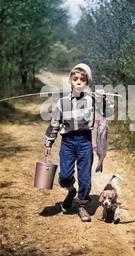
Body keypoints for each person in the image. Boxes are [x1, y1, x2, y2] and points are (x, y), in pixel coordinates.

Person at [44, 63, 114, 222]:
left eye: (83, 79)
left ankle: (82, 205)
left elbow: (109, 113)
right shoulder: (62, 102)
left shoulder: (92, 100)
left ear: (87, 83)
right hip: (68, 143)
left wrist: (103, 99)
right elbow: (54, 123)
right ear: (70, 81)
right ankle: (70, 191)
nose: (79, 82)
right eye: (75, 79)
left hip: (85, 142)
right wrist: (48, 143)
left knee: (85, 177)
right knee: (64, 176)